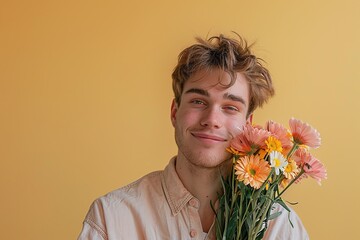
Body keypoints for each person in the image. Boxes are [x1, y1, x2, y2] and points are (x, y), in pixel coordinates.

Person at [78, 34, 309, 240]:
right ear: (174, 112)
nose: (212, 119)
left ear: (248, 126)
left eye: (230, 107)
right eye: (199, 101)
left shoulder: (278, 227)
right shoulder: (110, 220)